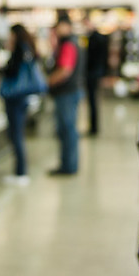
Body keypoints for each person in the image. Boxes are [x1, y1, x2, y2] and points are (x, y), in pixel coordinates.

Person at [0, 24, 38, 185]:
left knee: (16, 135)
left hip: (15, 97)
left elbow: (12, 71)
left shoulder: (19, 50)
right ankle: (20, 171)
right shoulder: (28, 49)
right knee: (18, 134)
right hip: (23, 97)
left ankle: (20, 172)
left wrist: (1, 69)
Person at [47, 15, 82, 175]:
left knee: (67, 130)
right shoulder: (69, 43)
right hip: (70, 92)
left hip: (67, 93)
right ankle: (68, 164)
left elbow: (65, 71)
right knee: (67, 130)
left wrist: (48, 82)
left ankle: (68, 166)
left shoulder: (68, 44)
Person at [85, 21, 108, 136]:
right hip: (97, 72)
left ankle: (93, 127)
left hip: (92, 73)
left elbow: (90, 58)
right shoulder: (100, 38)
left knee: (92, 100)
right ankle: (94, 127)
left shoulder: (93, 39)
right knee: (94, 100)